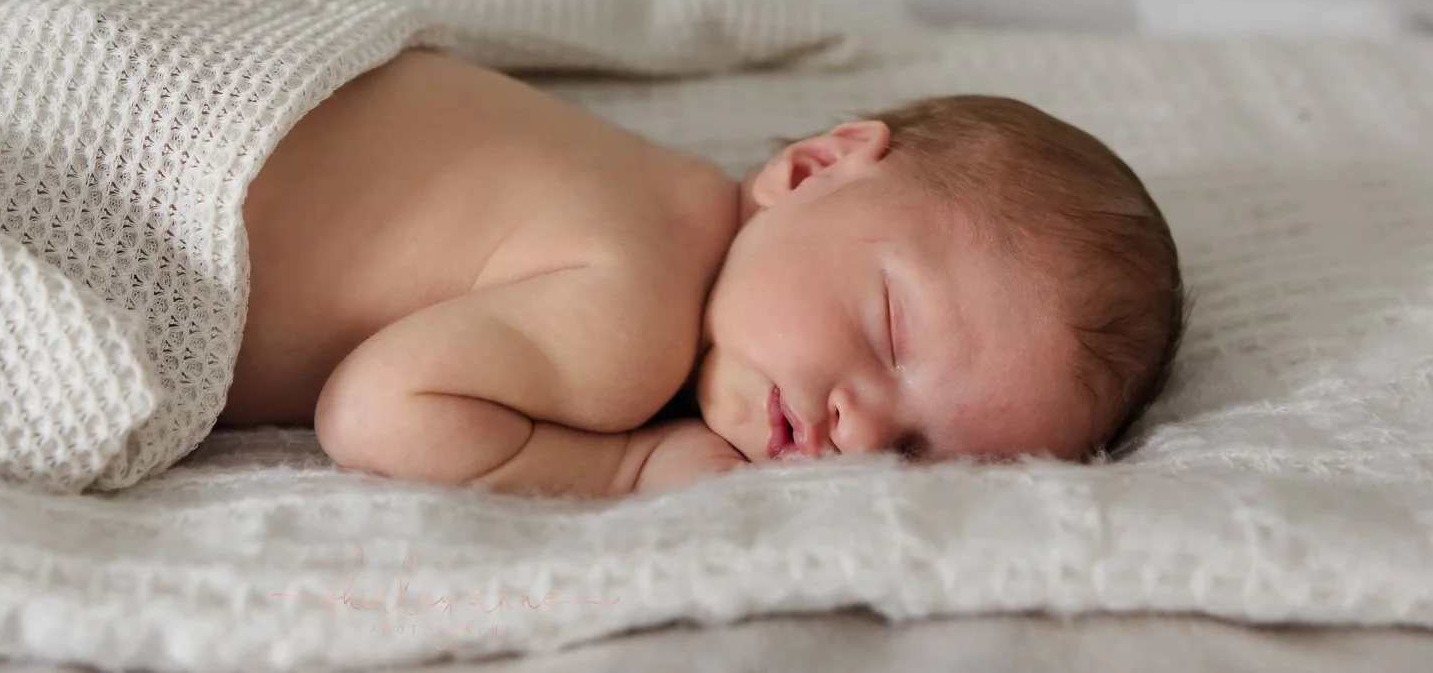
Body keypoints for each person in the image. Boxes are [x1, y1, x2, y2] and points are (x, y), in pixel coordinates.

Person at [232, 52, 1186, 497]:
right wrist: (627, 467)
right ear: (813, 167)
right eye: (890, 330)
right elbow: (373, 411)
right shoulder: (634, 318)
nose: (860, 431)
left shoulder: (664, 190)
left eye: (913, 453)